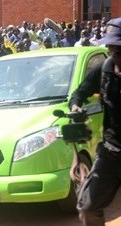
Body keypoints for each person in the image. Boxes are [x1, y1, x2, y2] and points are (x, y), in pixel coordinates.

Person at [69, 17, 121, 226]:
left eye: (119, 49)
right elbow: (78, 93)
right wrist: (76, 106)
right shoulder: (105, 69)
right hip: (112, 150)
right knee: (88, 208)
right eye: (111, 49)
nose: (114, 54)